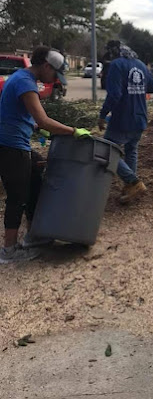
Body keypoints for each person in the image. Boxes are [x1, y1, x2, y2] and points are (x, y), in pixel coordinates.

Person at [0, 46, 92, 264]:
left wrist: (34, 128)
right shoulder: (24, 82)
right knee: (17, 197)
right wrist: (73, 131)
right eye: (54, 73)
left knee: (36, 177)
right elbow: (43, 119)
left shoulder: (21, 78)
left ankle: (35, 235)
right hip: (10, 145)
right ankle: (8, 251)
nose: (54, 79)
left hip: (14, 141)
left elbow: (20, 113)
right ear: (46, 66)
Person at [98, 41, 153, 204]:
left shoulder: (117, 65)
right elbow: (151, 87)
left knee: (105, 151)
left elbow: (114, 95)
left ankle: (133, 182)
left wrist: (102, 114)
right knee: (131, 150)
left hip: (123, 118)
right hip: (140, 117)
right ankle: (130, 188)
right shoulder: (141, 65)